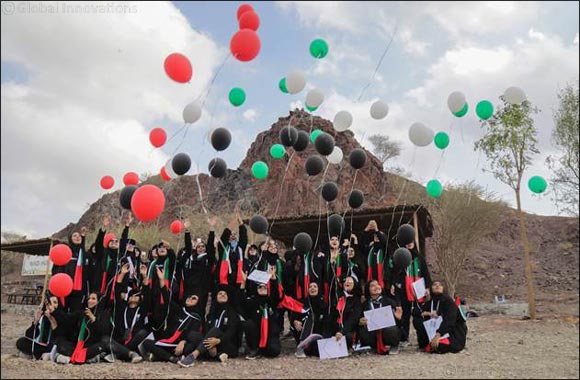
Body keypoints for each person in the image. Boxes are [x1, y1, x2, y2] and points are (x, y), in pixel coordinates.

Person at [142, 266, 205, 364]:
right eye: (189, 297)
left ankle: (161, 356)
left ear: (198, 303)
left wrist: (183, 341)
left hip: (182, 344)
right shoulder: (179, 310)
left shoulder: (196, 317)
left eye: (194, 298)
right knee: (147, 343)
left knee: (192, 344)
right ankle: (171, 358)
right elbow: (166, 298)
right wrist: (162, 280)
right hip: (169, 343)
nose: (190, 299)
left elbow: (194, 335)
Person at [177, 286, 240, 367]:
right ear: (216, 297)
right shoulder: (212, 313)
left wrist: (218, 341)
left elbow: (231, 333)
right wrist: (211, 344)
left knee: (215, 330)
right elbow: (206, 332)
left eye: (225, 294)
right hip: (211, 344)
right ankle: (217, 355)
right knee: (192, 334)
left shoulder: (232, 313)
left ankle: (193, 355)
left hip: (227, 344)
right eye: (220, 293)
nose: (222, 295)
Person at [387, 240, 432, 344]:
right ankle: (404, 336)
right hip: (403, 289)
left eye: (411, 241)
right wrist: (392, 284)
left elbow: (426, 274)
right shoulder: (399, 257)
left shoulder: (419, 258)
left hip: (418, 289)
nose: (409, 243)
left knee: (418, 314)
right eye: (407, 241)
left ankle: (422, 339)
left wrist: (427, 287)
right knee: (405, 314)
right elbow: (393, 273)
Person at [110, 262, 149, 362]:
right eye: (131, 295)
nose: (133, 297)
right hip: (121, 339)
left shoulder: (142, 309)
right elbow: (117, 290)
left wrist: (144, 275)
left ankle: (120, 354)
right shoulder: (122, 307)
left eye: (136, 295)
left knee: (143, 332)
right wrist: (122, 273)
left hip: (134, 339)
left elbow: (147, 291)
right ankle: (128, 354)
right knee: (107, 339)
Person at [241, 266, 283, 359]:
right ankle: (254, 348)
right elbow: (241, 301)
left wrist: (273, 279)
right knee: (248, 324)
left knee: (274, 351)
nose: (262, 289)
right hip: (256, 332)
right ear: (256, 289)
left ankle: (264, 348)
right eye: (260, 287)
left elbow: (276, 294)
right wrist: (243, 283)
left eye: (264, 287)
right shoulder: (252, 301)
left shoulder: (271, 301)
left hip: (270, 332)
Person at [413, 281, 467, 354]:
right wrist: (428, 313)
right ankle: (425, 343)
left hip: (451, 332)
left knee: (439, 346)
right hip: (435, 331)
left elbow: (449, 320)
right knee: (417, 320)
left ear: (443, 289)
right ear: (431, 289)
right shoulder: (431, 302)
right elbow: (415, 312)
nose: (437, 286)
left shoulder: (447, 300)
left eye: (440, 285)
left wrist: (438, 335)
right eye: (434, 285)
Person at [177, 217, 216, 312]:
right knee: (186, 311)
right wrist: (187, 230)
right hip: (188, 289)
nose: (201, 248)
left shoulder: (208, 259)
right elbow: (188, 247)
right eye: (199, 247)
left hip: (202, 290)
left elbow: (211, 247)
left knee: (199, 312)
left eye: (203, 246)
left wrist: (211, 229)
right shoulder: (190, 259)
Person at [358, 280, 403, 355]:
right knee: (363, 331)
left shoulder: (390, 302)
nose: (376, 286)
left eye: (378, 284)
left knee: (392, 329)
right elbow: (359, 320)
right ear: (368, 289)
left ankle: (394, 345)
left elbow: (400, 324)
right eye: (373, 285)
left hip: (387, 332)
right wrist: (360, 322)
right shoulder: (364, 305)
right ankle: (374, 347)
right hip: (373, 333)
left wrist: (398, 318)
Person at [51, 226, 88, 312]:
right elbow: (55, 269)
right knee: (62, 310)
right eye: (74, 235)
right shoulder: (65, 251)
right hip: (64, 287)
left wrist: (83, 236)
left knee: (75, 312)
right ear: (70, 239)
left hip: (78, 289)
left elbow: (82, 250)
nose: (78, 237)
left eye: (79, 236)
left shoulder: (84, 254)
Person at [16, 294, 64, 360]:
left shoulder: (60, 316)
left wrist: (51, 319)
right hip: (39, 344)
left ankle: (44, 355)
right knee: (21, 342)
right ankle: (39, 355)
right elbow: (29, 335)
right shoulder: (42, 316)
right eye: (48, 304)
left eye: (54, 303)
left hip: (52, 345)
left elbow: (58, 335)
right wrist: (35, 322)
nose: (50, 306)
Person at [291, 282, 327, 358]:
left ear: (318, 289)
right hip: (304, 332)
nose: (312, 288)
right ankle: (302, 346)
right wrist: (295, 321)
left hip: (318, 333)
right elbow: (293, 316)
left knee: (316, 352)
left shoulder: (324, 304)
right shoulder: (302, 302)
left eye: (315, 286)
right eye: (310, 287)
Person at [327, 276, 361, 350]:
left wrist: (342, 332)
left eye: (350, 281)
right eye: (346, 281)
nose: (347, 282)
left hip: (348, 329)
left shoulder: (356, 301)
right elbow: (332, 315)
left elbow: (353, 319)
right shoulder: (338, 297)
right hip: (336, 328)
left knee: (348, 337)